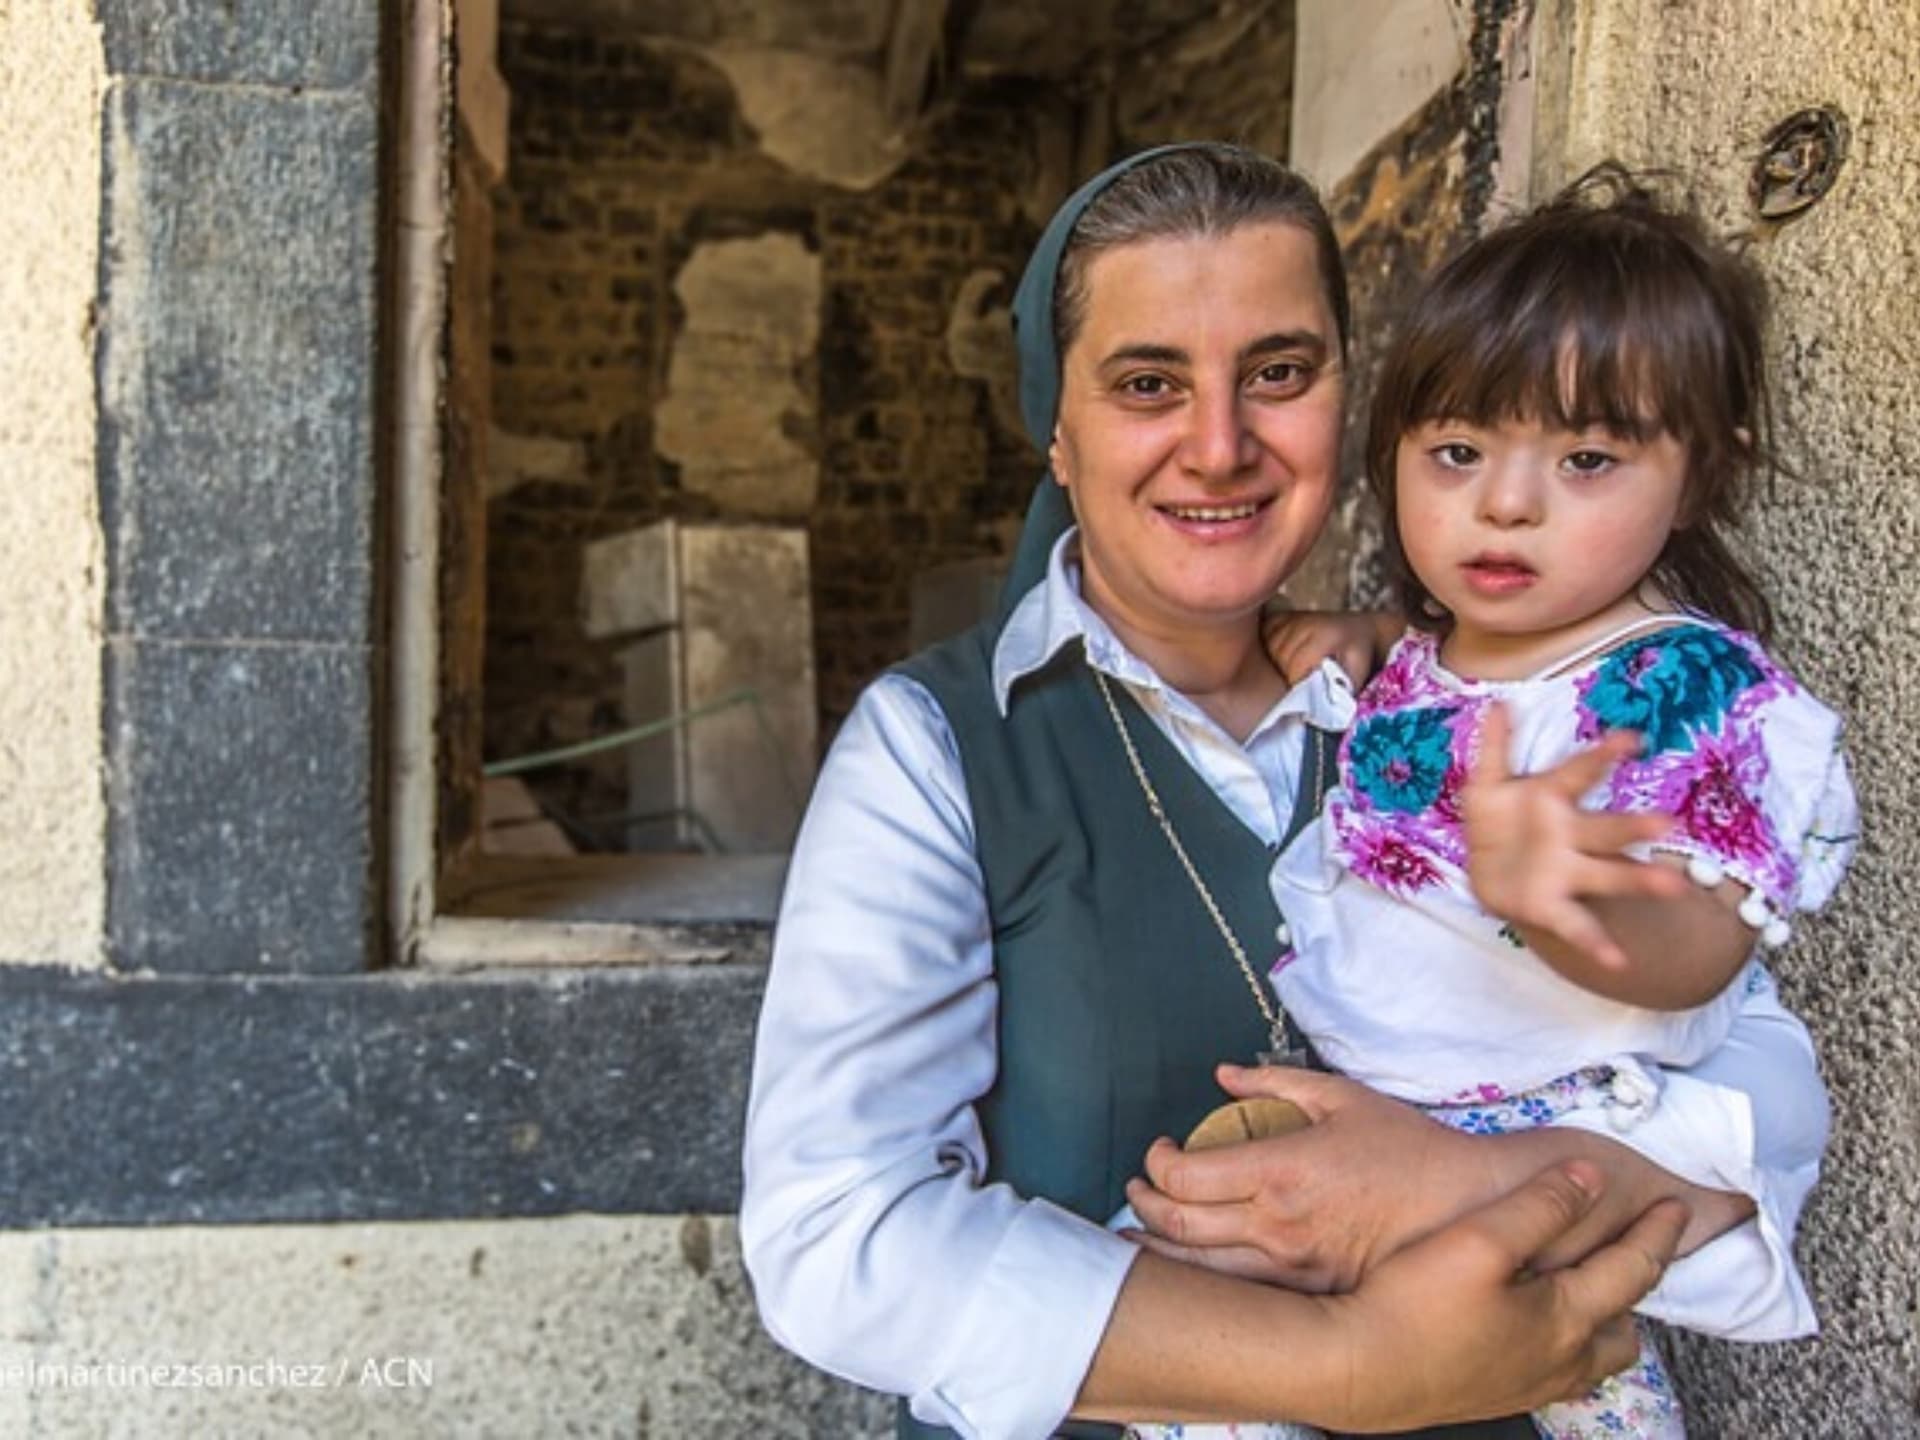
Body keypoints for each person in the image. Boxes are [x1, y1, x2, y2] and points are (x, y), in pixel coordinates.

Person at [740, 144, 1829, 1440]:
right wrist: (1344, 1363)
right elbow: (838, 1239)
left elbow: (1756, 1081)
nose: (1219, 447)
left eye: (1279, 373)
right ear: (1058, 432)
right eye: (1149, 384)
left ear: (1347, 395)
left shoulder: (1479, 716)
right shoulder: (938, 748)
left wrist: (1467, 1180)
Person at [1132, 173, 1858, 1440]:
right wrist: (1365, 637)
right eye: (1458, 453)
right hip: (1382, 1108)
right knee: (1200, 1363)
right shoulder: (1440, 649)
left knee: (1574, 1368)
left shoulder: (1679, 689)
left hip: (1551, 1137)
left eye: (1587, 459)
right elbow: (1441, 674)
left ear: (1699, 477)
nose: (1506, 503)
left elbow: (1704, 949)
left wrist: (1575, 907)